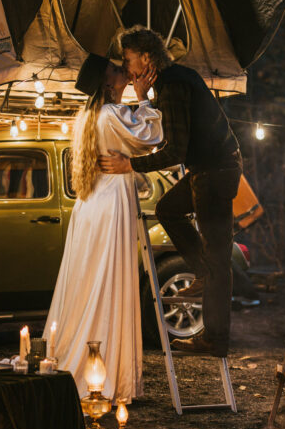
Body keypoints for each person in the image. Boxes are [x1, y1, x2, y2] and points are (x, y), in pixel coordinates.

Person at [99, 26, 241, 357]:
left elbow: (174, 149)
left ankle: (215, 339)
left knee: (219, 259)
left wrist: (131, 165)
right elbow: (170, 139)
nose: (126, 66)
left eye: (128, 58)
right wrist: (144, 97)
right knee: (168, 210)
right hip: (206, 171)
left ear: (146, 58)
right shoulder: (172, 80)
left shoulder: (175, 86)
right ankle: (202, 270)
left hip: (215, 173)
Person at [44, 53, 160, 402]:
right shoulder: (111, 114)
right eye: (115, 69)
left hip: (93, 205)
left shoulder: (88, 115)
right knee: (108, 282)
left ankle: (90, 360)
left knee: (90, 282)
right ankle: (102, 372)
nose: (122, 70)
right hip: (109, 207)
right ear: (107, 82)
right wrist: (144, 98)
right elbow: (151, 135)